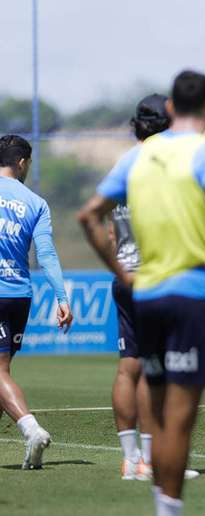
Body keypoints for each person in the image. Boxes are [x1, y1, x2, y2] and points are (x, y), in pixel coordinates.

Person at [78, 70, 205, 516]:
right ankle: (168, 506)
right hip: (192, 292)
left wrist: (122, 273)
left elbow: (90, 216)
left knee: (149, 388)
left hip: (144, 293)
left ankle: (140, 466)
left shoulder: (135, 159)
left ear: (171, 108)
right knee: (179, 418)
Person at [104, 94, 198, 482]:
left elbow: (111, 227)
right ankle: (152, 461)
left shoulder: (122, 164)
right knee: (157, 370)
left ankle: (132, 461)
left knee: (129, 368)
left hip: (126, 273)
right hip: (157, 275)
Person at [0, 134, 73, 469]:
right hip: (19, 297)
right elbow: (46, 254)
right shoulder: (36, 203)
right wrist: (62, 297)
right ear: (23, 162)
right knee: (2, 372)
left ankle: (31, 429)